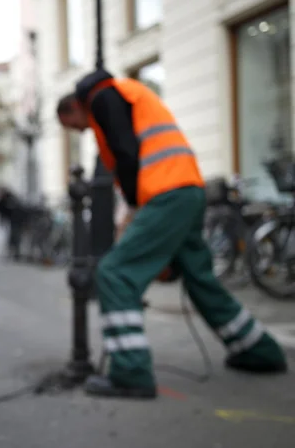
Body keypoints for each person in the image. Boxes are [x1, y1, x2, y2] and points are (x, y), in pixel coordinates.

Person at [56, 69, 287, 399]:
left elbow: (125, 152)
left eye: (73, 125)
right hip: (187, 189)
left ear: (72, 108)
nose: (80, 130)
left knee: (115, 271)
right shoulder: (125, 93)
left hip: (165, 193)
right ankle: (259, 350)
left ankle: (130, 373)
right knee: (199, 278)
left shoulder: (103, 97)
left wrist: (135, 214)